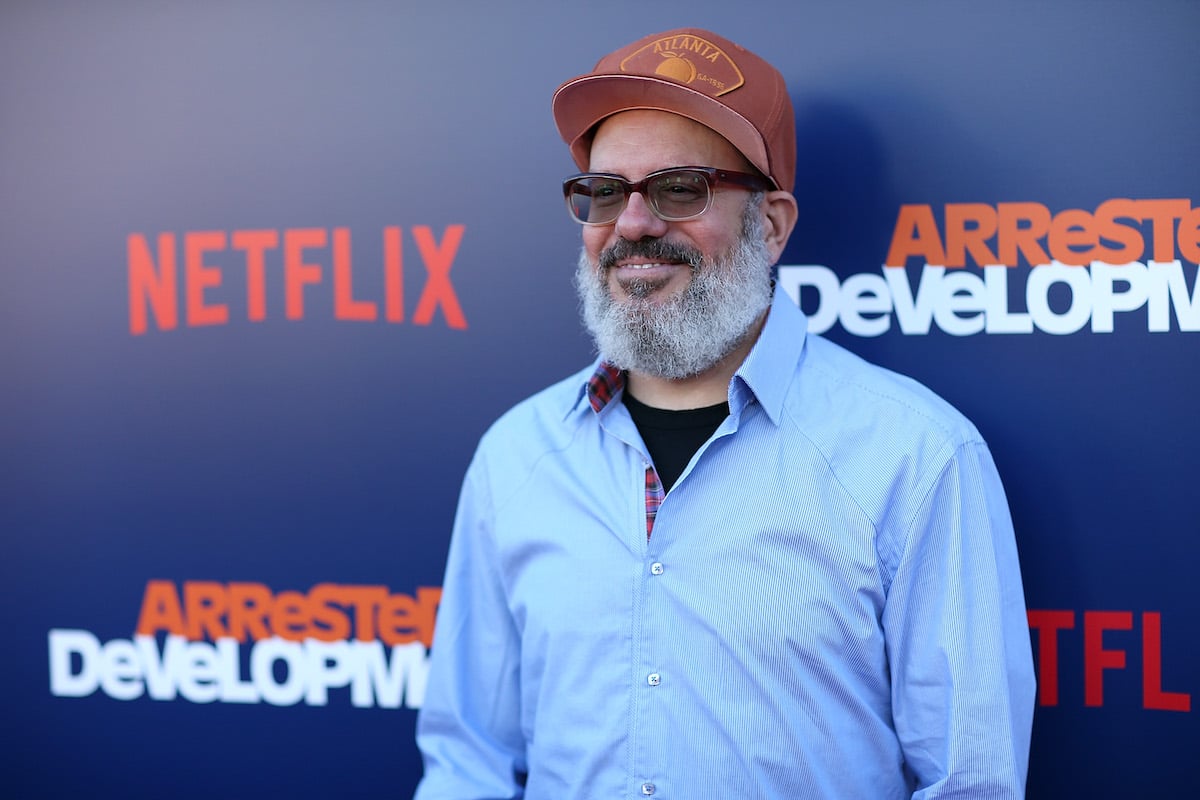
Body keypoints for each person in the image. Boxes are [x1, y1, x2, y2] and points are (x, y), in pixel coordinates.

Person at [414, 26, 1035, 800]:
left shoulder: (915, 456)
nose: (632, 224)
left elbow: (968, 783)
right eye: (605, 192)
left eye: (680, 188)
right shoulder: (516, 456)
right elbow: (468, 764)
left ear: (770, 225)